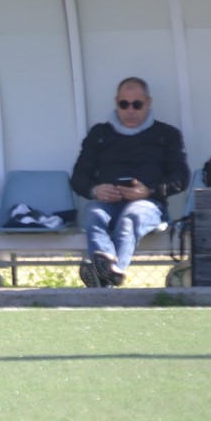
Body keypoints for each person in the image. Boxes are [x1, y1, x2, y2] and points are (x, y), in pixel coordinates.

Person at [71, 76, 190, 287]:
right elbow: (79, 177)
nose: (130, 110)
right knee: (94, 212)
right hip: (108, 204)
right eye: (124, 104)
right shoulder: (99, 134)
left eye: (137, 104)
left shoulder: (167, 135)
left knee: (131, 216)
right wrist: (95, 190)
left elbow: (181, 178)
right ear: (116, 102)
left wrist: (148, 191)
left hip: (149, 205)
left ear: (149, 102)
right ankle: (109, 268)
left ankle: (106, 276)